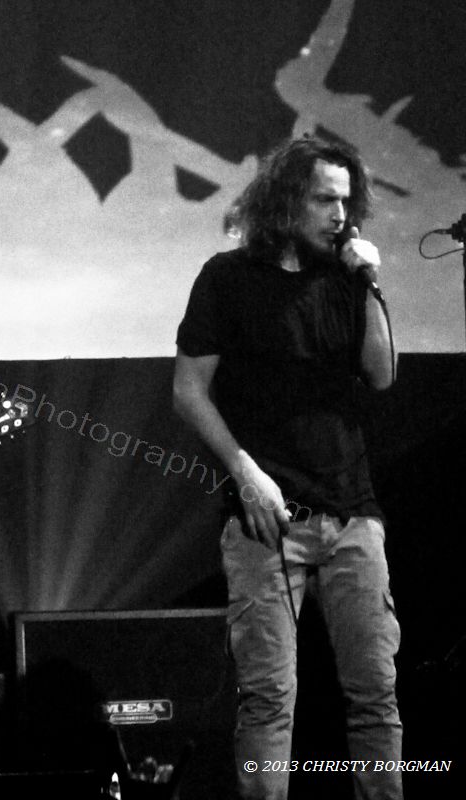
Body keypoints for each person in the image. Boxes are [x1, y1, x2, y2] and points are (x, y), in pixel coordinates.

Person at [173, 136, 402, 799]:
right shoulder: (228, 278)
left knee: (376, 694)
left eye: (346, 201)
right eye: (325, 199)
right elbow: (188, 391)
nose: (340, 214)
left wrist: (370, 283)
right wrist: (244, 471)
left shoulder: (346, 278)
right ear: (286, 200)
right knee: (269, 699)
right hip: (267, 520)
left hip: (352, 513)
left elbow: (382, 375)